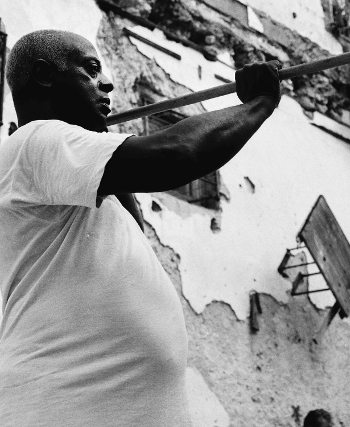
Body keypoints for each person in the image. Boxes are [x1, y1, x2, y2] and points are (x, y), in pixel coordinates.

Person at [0, 29, 281, 426]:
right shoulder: (36, 142)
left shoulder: (63, 171)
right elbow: (179, 154)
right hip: (64, 405)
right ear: (45, 76)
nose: (107, 82)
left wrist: (106, 143)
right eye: (91, 69)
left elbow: (134, 221)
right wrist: (260, 104)